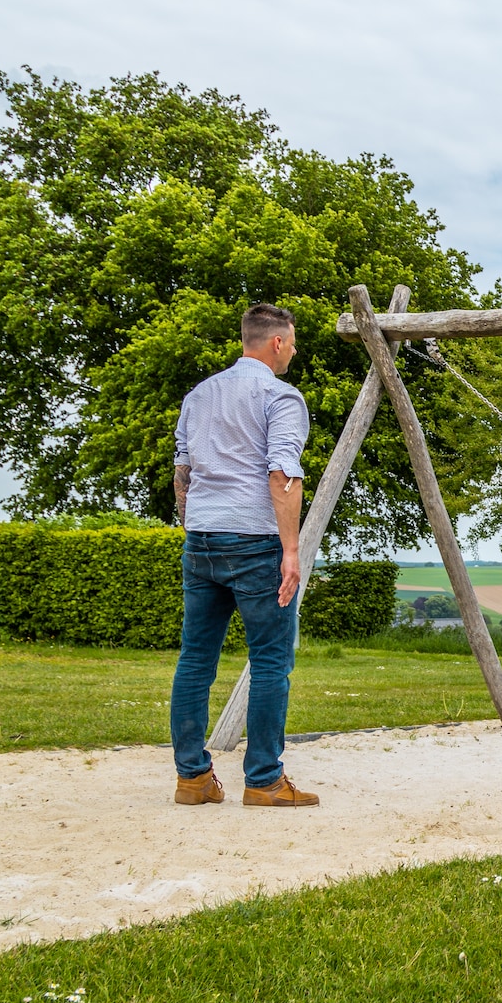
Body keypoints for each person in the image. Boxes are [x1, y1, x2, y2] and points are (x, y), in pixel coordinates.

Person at [169, 303, 319, 807]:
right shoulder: (281, 397)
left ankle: (193, 779)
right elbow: (283, 475)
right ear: (276, 343)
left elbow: (182, 475)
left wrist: (195, 527)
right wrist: (291, 551)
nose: (294, 350)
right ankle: (264, 781)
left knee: (195, 660)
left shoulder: (199, 395)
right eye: (293, 342)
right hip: (255, 540)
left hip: (202, 537)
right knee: (272, 661)